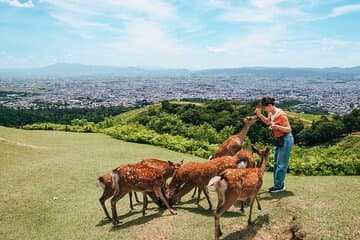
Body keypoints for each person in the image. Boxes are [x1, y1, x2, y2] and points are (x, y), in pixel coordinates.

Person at [255, 96, 293, 193]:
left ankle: (278, 186)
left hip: (286, 139)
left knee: (281, 164)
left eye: (265, 108)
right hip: (278, 139)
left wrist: (276, 127)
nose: (264, 109)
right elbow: (268, 122)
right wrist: (259, 115)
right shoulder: (271, 113)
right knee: (276, 163)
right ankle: (279, 184)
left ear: (270, 105)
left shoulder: (281, 115)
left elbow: (289, 129)